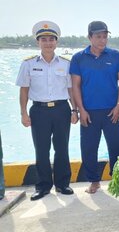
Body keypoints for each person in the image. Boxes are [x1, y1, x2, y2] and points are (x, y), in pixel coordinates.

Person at [15, 21, 78, 200]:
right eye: (44, 39)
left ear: (56, 42)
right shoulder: (28, 64)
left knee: (61, 148)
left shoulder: (66, 63)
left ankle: (62, 184)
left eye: (51, 39)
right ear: (38, 42)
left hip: (61, 109)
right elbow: (24, 90)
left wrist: (75, 110)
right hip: (39, 111)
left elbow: (70, 89)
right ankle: (42, 186)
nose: (48, 43)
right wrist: (23, 113)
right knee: (41, 149)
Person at [70, 21, 119, 194]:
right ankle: (94, 181)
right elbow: (75, 86)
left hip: (112, 110)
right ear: (89, 37)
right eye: (98, 37)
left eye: (105, 36)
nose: (102, 40)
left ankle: (117, 178)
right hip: (89, 111)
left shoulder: (116, 56)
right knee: (88, 148)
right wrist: (81, 110)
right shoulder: (78, 58)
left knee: (116, 146)